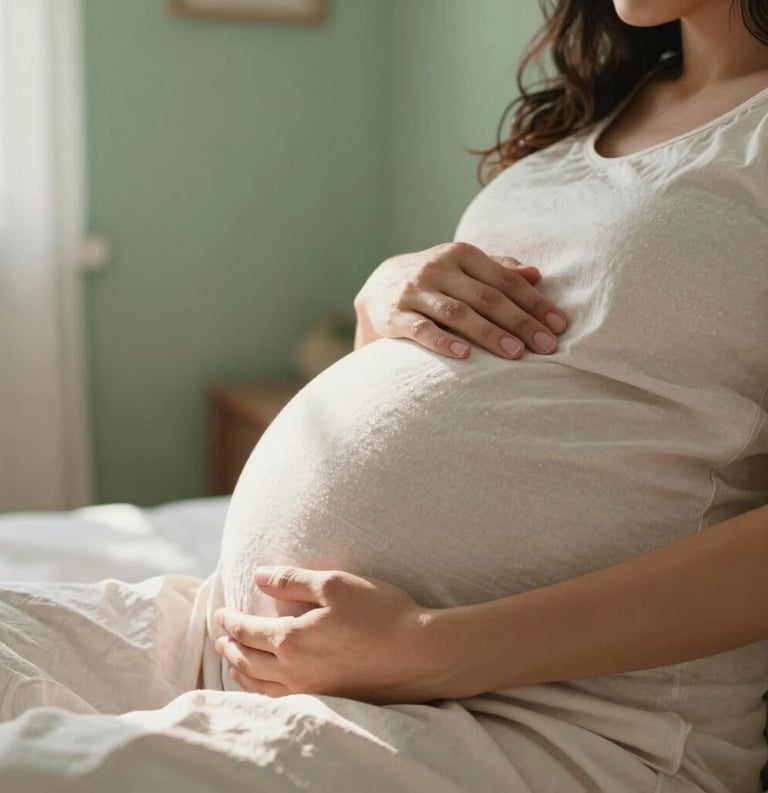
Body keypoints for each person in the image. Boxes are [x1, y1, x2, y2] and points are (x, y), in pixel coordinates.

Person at [0, 1, 766, 792]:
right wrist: (387, 300)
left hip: (544, 723)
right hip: (242, 635)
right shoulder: (602, 113)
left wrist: (431, 645)